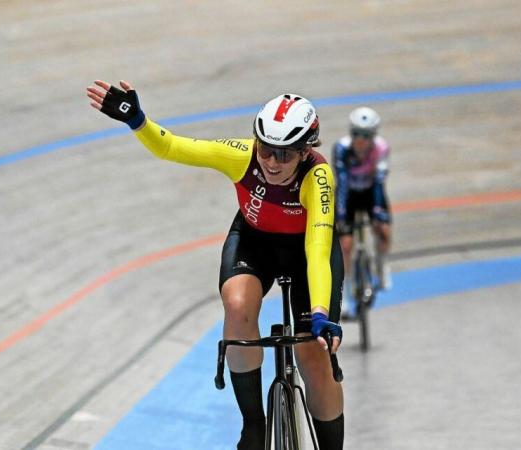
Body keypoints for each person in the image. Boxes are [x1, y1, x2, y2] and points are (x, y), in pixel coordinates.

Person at [86, 80, 344, 450]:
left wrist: (320, 312)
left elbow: (317, 252)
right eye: (266, 150)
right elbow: (173, 147)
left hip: (306, 251)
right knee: (237, 307)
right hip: (255, 239)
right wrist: (138, 120)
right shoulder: (240, 155)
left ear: (305, 152)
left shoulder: (319, 178)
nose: (271, 162)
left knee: (312, 354)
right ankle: (254, 425)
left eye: (284, 155)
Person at [331, 107, 392, 317]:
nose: (360, 140)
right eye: (356, 133)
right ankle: (345, 296)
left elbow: (378, 182)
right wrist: (340, 214)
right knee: (345, 246)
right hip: (348, 196)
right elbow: (342, 182)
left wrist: (376, 212)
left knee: (384, 230)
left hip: (370, 193)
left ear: (373, 136)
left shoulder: (382, 148)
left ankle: (382, 265)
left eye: (366, 135)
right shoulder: (341, 148)